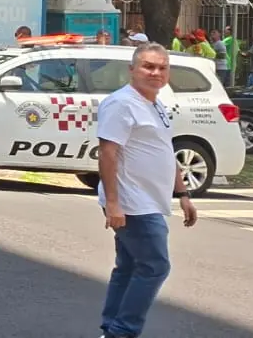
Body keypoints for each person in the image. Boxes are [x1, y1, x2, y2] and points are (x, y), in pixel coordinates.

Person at [95, 42, 198, 338]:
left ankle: (111, 328)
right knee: (155, 266)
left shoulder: (154, 104)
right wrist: (114, 204)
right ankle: (122, 331)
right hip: (133, 203)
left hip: (150, 200)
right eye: (148, 66)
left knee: (128, 266)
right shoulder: (121, 103)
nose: (156, 73)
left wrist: (183, 194)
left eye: (162, 68)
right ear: (132, 70)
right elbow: (108, 153)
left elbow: (165, 151)